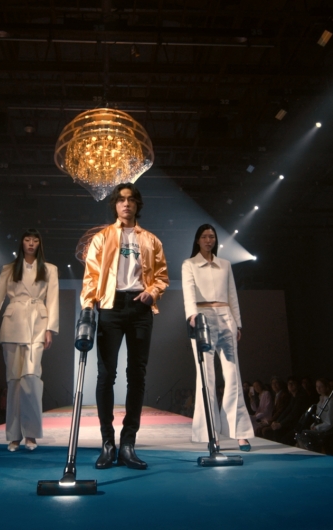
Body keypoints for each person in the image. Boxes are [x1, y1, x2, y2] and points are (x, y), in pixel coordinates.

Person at [82, 183, 169, 470]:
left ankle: (128, 443)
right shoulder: (102, 237)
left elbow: (162, 276)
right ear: (115, 205)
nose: (126, 204)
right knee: (106, 375)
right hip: (111, 305)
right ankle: (108, 443)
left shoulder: (152, 240)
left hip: (140, 307)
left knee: (137, 375)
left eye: (131, 199)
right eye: (121, 200)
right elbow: (91, 275)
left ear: (137, 204)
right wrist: (88, 305)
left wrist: (152, 293)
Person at [0, 228, 59, 452]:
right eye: (27, 239)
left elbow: (53, 300)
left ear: (39, 244)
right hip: (13, 324)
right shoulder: (9, 269)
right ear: (22, 243)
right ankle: (14, 436)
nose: (31, 243)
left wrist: (50, 329)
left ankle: (31, 434)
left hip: (37, 325)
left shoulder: (50, 269)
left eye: (35, 240)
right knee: (14, 381)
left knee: (32, 379)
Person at [182, 224, 254, 451]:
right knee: (206, 377)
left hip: (226, 317)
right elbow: (188, 292)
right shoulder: (189, 264)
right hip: (202, 318)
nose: (208, 240)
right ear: (198, 240)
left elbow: (232, 295)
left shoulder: (225, 264)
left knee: (233, 376)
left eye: (212, 236)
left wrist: (238, 323)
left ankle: (240, 433)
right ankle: (211, 433)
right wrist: (192, 316)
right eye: (204, 236)